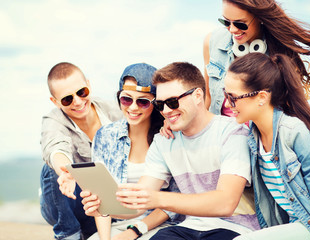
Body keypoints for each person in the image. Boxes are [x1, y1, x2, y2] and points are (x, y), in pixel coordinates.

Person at [81, 62, 261, 240]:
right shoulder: (163, 141)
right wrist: (104, 207)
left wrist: (157, 199)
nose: (166, 110)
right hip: (188, 227)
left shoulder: (231, 132)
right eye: (160, 104)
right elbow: (139, 201)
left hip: (235, 228)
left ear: (198, 95)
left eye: (173, 102)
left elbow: (226, 203)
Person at [223, 52, 310, 240]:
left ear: (261, 97)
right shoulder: (252, 137)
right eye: (225, 94)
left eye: (233, 97)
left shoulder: (294, 132)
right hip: (296, 226)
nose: (228, 103)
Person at [204, 0, 310, 115]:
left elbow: (291, 105)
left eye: (240, 24)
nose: (232, 29)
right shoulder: (212, 42)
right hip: (221, 140)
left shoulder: (279, 54)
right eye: (225, 22)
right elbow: (207, 98)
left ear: (259, 18)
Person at [87, 63, 183, 240]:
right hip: (118, 223)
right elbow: (101, 198)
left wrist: (134, 232)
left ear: (155, 103)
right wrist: (105, 238)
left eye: (143, 101)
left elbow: (176, 198)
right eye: (126, 99)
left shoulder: (169, 137)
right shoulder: (105, 136)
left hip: (161, 225)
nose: (132, 107)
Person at [40, 62, 123, 240]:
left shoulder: (115, 111)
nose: (77, 101)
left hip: (102, 204)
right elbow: (54, 146)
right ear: (55, 102)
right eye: (67, 99)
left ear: (89, 85)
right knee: (53, 170)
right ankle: (68, 234)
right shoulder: (53, 120)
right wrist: (66, 171)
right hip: (68, 201)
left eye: (81, 92)